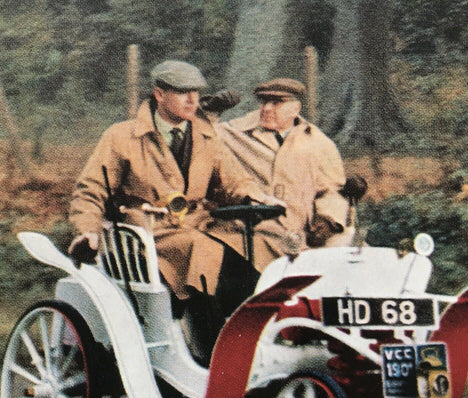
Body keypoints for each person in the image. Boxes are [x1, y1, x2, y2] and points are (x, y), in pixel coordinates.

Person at [68, 61, 273, 363]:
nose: (193, 100)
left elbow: (232, 181)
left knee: (259, 249)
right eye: (182, 93)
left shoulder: (206, 136)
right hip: (148, 235)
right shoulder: (122, 136)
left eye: (195, 92)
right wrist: (88, 231)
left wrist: (253, 196)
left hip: (197, 226)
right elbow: (90, 191)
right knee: (206, 256)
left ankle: (255, 348)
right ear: (159, 95)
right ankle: (215, 359)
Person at [213, 78, 349, 271]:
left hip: (303, 232)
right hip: (253, 230)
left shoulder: (317, 142)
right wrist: (211, 111)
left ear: (296, 108)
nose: (267, 108)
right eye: (263, 101)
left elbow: (332, 190)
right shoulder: (236, 132)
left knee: (348, 258)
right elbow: (202, 135)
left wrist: (327, 219)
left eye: (276, 103)